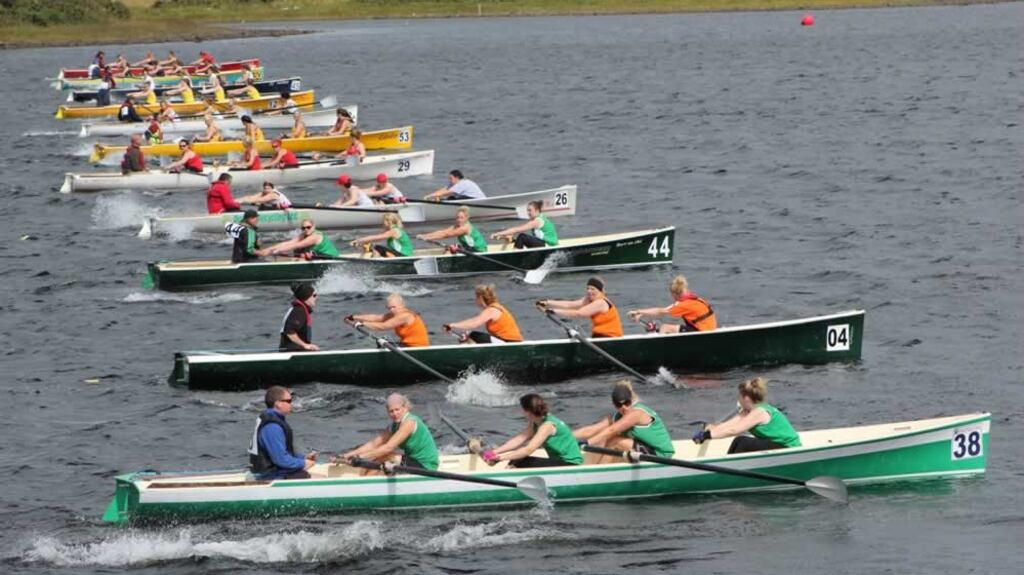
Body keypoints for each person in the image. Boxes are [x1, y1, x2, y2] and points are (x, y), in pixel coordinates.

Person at [574, 380, 675, 463]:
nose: (624, 408)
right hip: (643, 450)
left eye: (627, 403)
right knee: (602, 441)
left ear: (631, 400)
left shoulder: (637, 413)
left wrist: (587, 442)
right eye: (619, 405)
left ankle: (599, 474)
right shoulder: (617, 417)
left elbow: (611, 430)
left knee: (613, 440)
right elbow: (591, 429)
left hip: (661, 455)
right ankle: (601, 469)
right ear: (614, 405)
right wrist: (566, 437)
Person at [694, 377, 801, 454]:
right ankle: (729, 469)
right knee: (739, 441)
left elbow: (734, 430)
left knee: (741, 442)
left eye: (739, 396)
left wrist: (707, 436)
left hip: (789, 448)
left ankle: (730, 472)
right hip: (776, 446)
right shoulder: (748, 411)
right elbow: (729, 425)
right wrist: (711, 429)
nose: (738, 399)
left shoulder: (759, 412)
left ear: (746, 398)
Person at [339, 393, 439, 474]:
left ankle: (366, 485)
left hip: (426, 466)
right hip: (412, 461)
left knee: (387, 455)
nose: (395, 414)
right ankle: (365, 481)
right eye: (391, 411)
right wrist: (347, 455)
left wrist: (360, 457)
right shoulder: (394, 426)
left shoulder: (410, 422)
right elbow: (373, 444)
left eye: (397, 409)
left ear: (405, 408)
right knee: (375, 459)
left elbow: (388, 448)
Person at [482, 394, 583, 468]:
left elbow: (528, 450)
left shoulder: (547, 426)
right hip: (558, 461)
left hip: (570, 465)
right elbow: (519, 440)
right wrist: (494, 452)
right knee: (517, 459)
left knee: (519, 460)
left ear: (528, 411)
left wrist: (499, 458)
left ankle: (506, 481)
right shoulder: (537, 421)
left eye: (522, 409)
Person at [249, 386, 318, 479]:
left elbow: (282, 453)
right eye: (289, 401)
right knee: (313, 477)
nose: (292, 404)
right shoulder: (272, 427)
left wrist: (303, 457)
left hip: (272, 473)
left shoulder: (271, 419)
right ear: (278, 404)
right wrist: (303, 463)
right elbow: (281, 460)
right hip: (268, 476)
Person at [627, 275, 717, 334]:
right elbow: (666, 308)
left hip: (703, 332)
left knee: (665, 328)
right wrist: (642, 313)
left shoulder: (684, 305)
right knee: (661, 328)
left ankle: (658, 351)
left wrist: (637, 311)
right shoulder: (694, 299)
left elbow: (660, 311)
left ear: (675, 294)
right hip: (709, 329)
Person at [537, 277, 623, 338]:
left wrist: (553, 311)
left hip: (610, 337)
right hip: (598, 336)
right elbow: (570, 305)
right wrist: (547, 302)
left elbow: (579, 313)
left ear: (600, 291)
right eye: (588, 288)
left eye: (593, 289)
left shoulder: (600, 303)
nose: (589, 291)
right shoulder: (589, 299)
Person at [443, 284, 523, 344]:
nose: (475, 300)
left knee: (472, 334)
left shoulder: (492, 309)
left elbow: (475, 323)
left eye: (476, 298)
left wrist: (453, 325)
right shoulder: (494, 308)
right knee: (466, 336)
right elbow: (474, 320)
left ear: (480, 298)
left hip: (509, 343)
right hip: (507, 342)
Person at [346, 293, 430, 347]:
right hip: (406, 345)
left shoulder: (405, 316)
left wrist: (362, 324)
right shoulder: (395, 314)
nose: (392, 310)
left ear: (402, 305)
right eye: (389, 308)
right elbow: (377, 318)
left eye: (394, 307)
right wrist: (354, 317)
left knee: (380, 344)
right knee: (380, 343)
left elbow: (384, 326)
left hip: (417, 347)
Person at [417, 206, 488, 253]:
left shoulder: (465, 228)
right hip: (469, 248)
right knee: (451, 248)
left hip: (479, 250)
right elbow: (443, 231)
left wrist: (426, 238)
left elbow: (446, 235)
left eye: (461, 218)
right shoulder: (457, 225)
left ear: (467, 218)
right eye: (457, 217)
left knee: (453, 248)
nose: (459, 220)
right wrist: (425, 235)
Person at [490, 200, 558, 248]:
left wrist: (498, 233)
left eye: (530, 210)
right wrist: (507, 238)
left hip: (548, 246)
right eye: (527, 210)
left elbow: (516, 229)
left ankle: (515, 257)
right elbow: (534, 239)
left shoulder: (537, 221)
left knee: (522, 236)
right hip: (544, 244)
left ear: (537, 210)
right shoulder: (540, 218)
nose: (528, 213)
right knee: (520, 239)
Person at [265, 219, 340, 260]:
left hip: (330, 257)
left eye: (308, 227)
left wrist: (278, 251)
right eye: (303, 228)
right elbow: (290, 243)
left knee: (299, 249)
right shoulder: (303, 235)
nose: (306, 229)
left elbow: (297, 245)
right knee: (298, 251)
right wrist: (270, 249)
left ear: (313, 227)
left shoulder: (315, 236)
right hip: (318, 255)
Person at [350, 213, 414, 258]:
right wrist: (362, 244)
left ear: (389, 221)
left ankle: (370, 263)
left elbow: (375, 237)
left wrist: (357, 240)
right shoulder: (393, 230)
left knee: (378, 248)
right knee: (368, 246)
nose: (382, 223)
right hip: (401, 254)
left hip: (403, 255)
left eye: (383, 221)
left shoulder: (394, 231)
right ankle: (368, 261)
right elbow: (377, 239)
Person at [280, 283, 319, 352]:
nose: (316, 297)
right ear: (307, 297)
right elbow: (289, 332)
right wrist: (305, 345)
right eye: (314, 295)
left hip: (297, 350)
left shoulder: (300, 309)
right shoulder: (299, 311)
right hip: (293, 351)